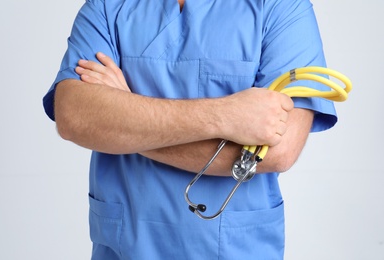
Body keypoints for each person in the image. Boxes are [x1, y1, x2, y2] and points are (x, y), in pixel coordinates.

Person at [43, 0, 337, 259]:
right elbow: (73, 115)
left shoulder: (280, 7)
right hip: (126, 248)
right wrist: (227, 114)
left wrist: (124, 124)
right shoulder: (108, 7)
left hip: (238, 249)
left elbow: (279, 150)